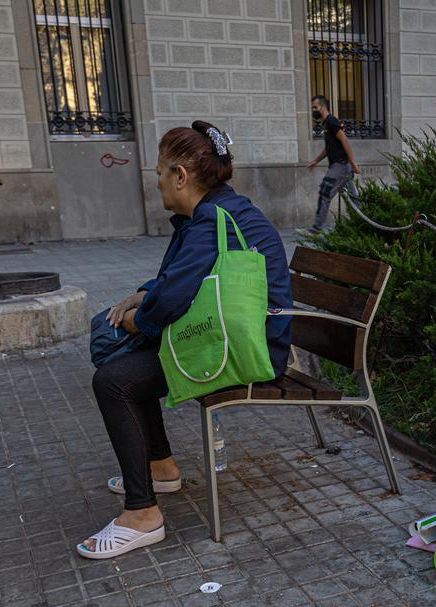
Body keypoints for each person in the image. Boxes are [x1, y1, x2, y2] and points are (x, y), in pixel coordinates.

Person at [78, 120, 292, 559]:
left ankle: (142, 515)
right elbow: (175, 283)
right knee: (124, 369)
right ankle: (160, 468)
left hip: (249, 351)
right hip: (243, 336)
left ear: (181, 175)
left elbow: (172, 297)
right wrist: (142, 297)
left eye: (159, 172)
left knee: (114, 380)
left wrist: (134, 322)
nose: (155, 182)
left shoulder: (210, 220)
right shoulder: (217, 212)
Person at [306, 95, 360, 232]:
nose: (313, 110)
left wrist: (353, 163)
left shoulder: (332, 121)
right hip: (342, 166)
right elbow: (328, 148)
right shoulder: (326, 124)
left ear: (323, 107)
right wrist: (316, 161)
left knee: (325, 191)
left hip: (340, 165)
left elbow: (344, 141)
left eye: (315, 107)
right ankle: (361, 224)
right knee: (354, 198)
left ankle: (317, 228)